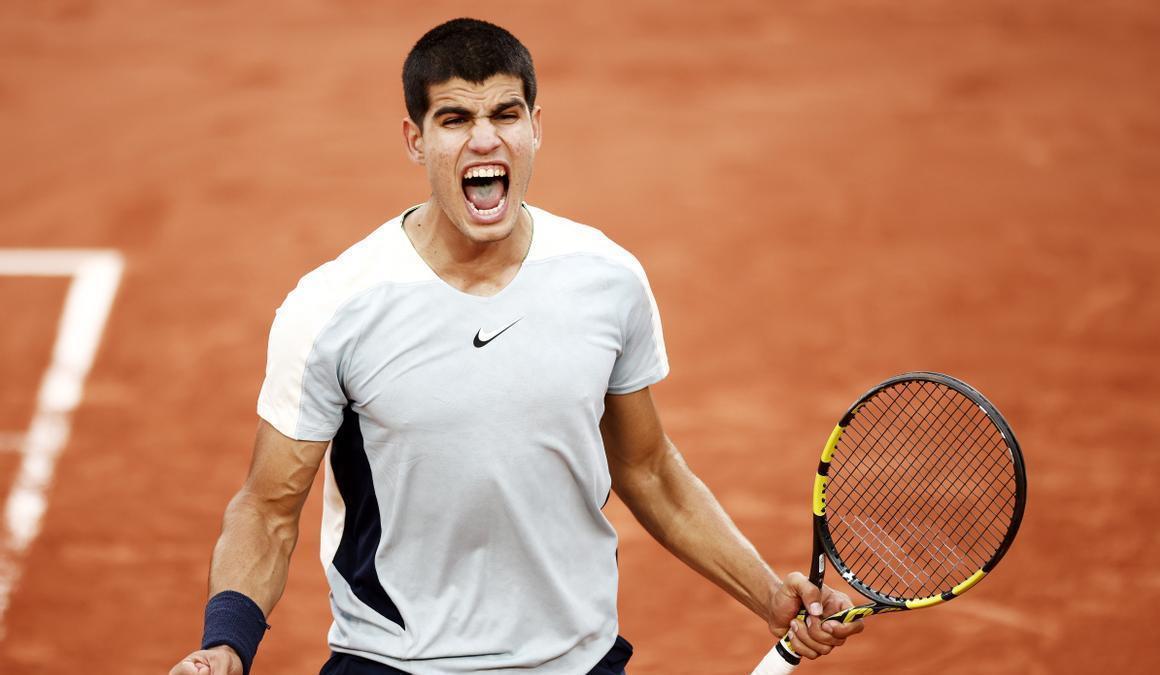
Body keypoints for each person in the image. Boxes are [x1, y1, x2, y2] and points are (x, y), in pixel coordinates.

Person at [169, 18, 863, 675]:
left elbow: (648, 468)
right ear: (414, 139)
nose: (483, 140)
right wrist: (227, 642)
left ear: (536, 127)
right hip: (397, 662)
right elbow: (267, 508)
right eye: (455, 119)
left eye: (504, 114)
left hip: (577, 659)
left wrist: (768, 593)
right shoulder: (334, 307)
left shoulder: (605, 279)